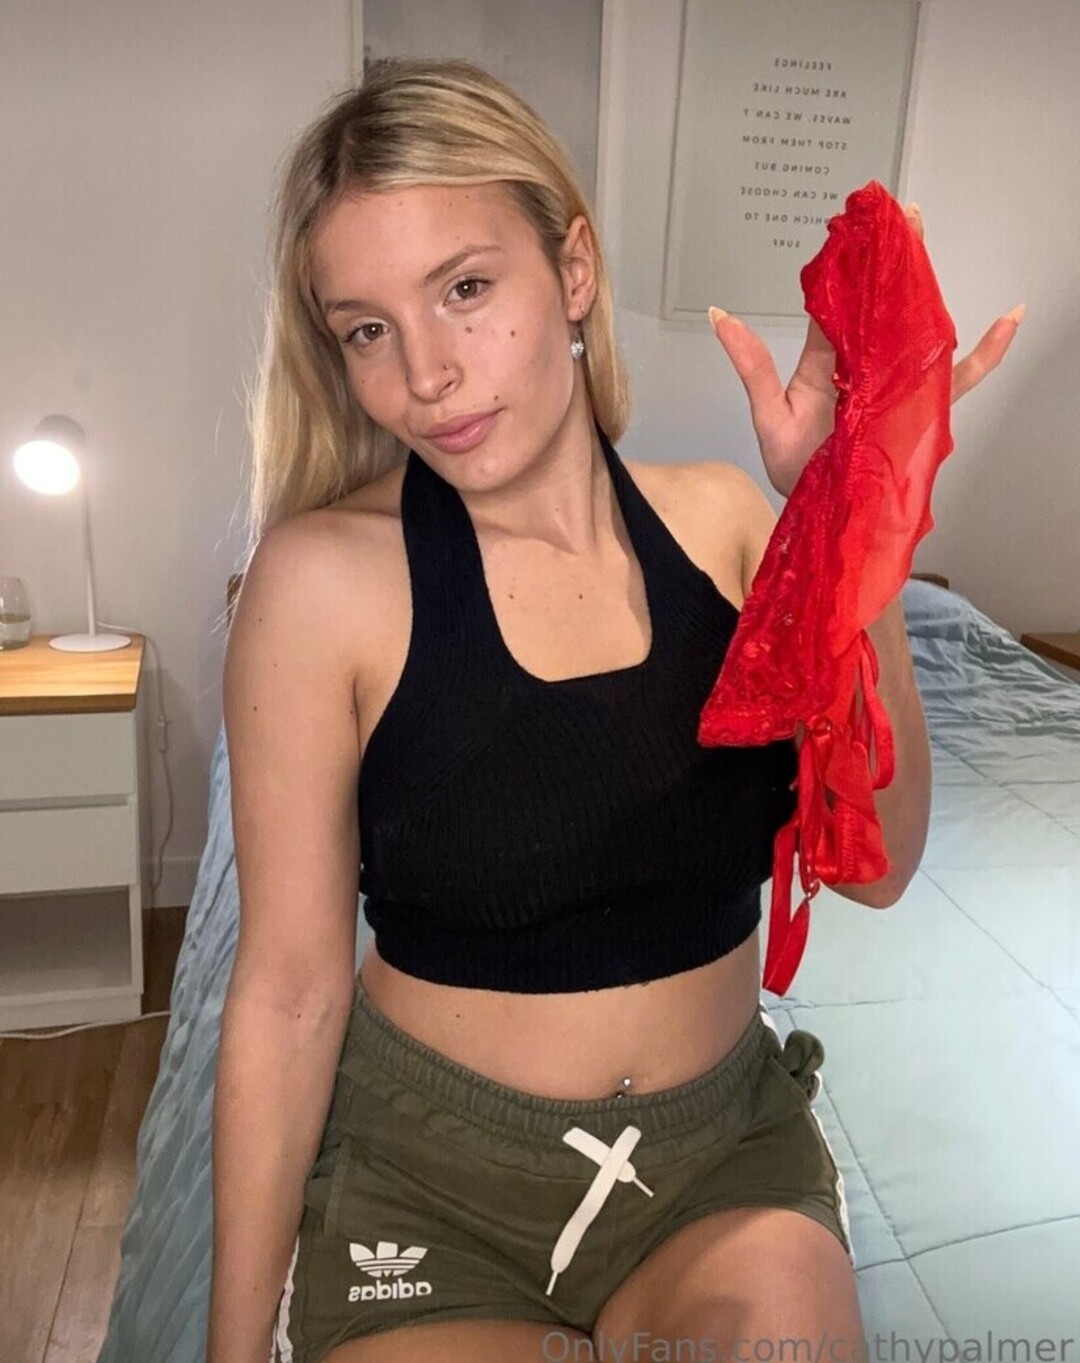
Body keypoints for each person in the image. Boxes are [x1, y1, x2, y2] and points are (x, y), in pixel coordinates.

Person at [208, 57, 1020, 1363]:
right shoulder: (318, 586)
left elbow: (879, 869)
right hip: (434, 1188)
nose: (427, 374)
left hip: (718, 1165)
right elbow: (291, 993)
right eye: (366, 329)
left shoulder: (725, 527)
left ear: (573, 270)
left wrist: (849, 522)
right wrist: (233, 1346)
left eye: (465, 290)